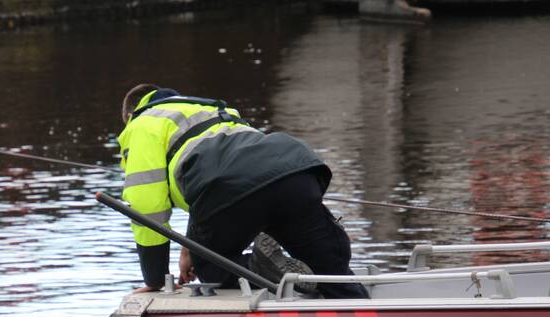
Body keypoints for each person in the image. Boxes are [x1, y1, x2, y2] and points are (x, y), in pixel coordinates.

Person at [116, 83, 367, 299]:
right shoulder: (212, 109)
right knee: (330, 270)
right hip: (294, 169)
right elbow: (222, 168)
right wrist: (189, 247)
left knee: (212, 268)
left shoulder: (142, 124)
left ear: (130, 115)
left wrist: (155, 278)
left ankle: (263, 267)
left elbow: (146, 207)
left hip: (230, 190)